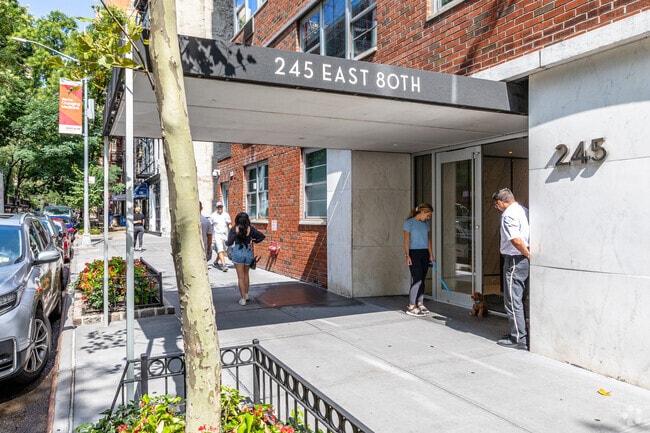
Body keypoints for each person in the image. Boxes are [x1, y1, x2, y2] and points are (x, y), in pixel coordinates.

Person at [492, 188, 530, 350]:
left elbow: (515, 240)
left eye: (496, 205)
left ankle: (518, 338)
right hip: (523, 259)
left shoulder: (508, 215)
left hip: (515, 260)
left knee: (512, 301)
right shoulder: (523, 210)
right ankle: (521, 334)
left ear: (500, 202)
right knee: (519, 299)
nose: (497, 208)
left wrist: (527, 254)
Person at [225, 212, 265, 306]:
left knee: (240, 277)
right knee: (246, 274)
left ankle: (242, 299)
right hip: (248, 252)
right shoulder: (251, 229)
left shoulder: (234, 229)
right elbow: (262, 236)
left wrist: (226, 242)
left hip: (238, 252)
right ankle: (246, 295)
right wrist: (253, 241)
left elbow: (229, 242)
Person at [403, 203, 435, 317]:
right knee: (417, 279)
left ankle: (420, 303)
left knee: (422, 279)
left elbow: (428, 240)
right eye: (428, 215)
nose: (429, 217)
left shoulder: (426, 224)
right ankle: (411, 306)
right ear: (422, 212)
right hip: (413, 253)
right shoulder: (409, 223)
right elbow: (406, 241)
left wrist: (431, 255)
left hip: (424, 253)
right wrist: (407, 255)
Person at [209, 201, 231, 272]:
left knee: (223, 251)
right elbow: (210, 226)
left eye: (221, 207)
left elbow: (229, 224)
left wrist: (233, 231)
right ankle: (224, 265)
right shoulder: (213, 216)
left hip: (225, 235)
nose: (220, 208)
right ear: (216, 207)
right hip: (217, 235)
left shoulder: (226, 215)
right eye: (218, 207)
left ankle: (215, 262)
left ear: (222, 207)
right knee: (220, 249)